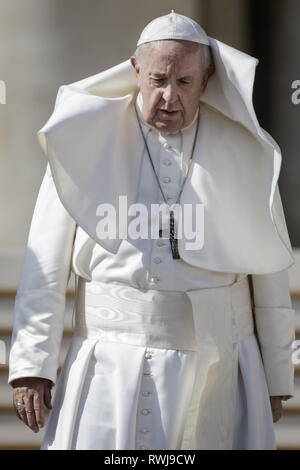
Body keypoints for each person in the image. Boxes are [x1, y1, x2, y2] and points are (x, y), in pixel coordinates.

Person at [8, 11, 295, 450]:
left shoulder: (246, 150)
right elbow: (44, 264)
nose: (168, 96)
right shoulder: (83, 141)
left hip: (224, 365)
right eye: (159, 80)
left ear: (206, 79)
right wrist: (32, 364)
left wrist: (276, 372)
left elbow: (270, 271)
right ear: (136, 70)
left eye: (183, 82)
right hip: (111, 367)